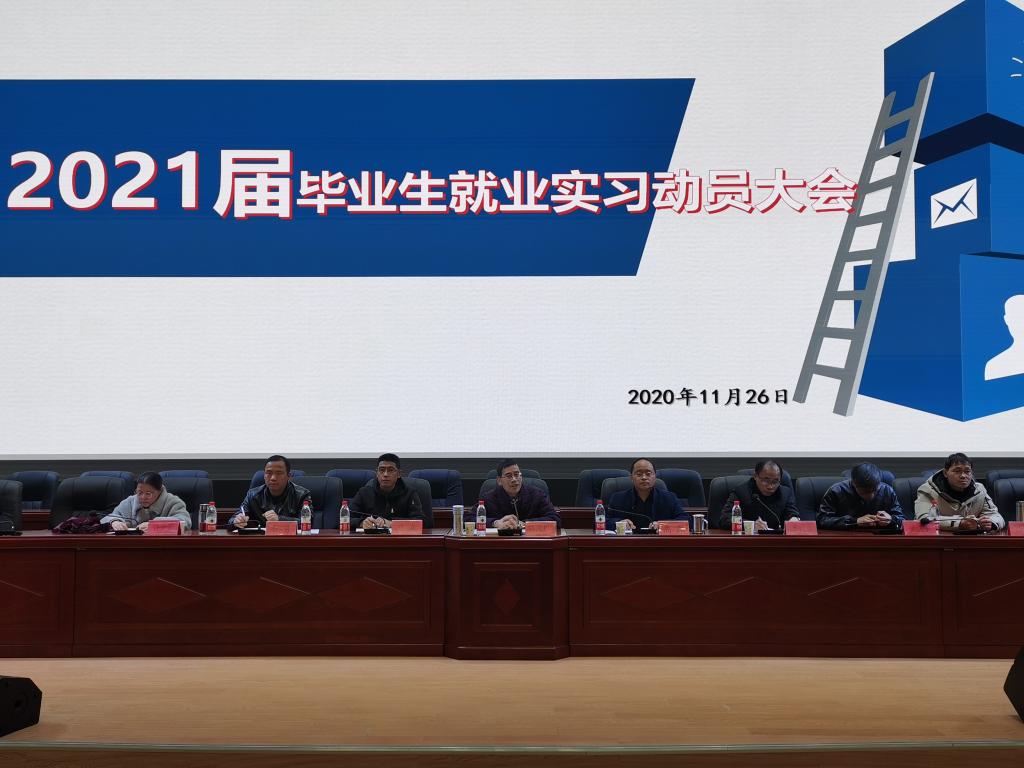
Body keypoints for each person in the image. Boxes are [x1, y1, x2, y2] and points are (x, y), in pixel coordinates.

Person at [915, 453, 1004, 531]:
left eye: (967, 471)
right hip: (938, 540)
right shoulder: (928, 490)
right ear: (945, 473)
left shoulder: (979, 491)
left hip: (971, 540)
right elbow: (924, 519)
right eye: (957, 471)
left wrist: (990, 523)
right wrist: (959, 523)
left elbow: (995, 516)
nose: (963, 476)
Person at [607, 458, 691, 532]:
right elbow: (604, 521)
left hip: (659, 542)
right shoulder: (618, 498)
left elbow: (686, 520)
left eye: (648, 473)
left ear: (655, 476)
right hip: (628, 542)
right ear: (631, 477)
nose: (644, 477)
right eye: (639, 474)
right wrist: (618, 523)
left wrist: (663, 524)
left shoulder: (669, 498)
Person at [229, 455, 311, 530]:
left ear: (288, 476)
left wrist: (279, 519)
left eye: (279, 473)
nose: (273, 478)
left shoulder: (302, 494)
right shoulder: (252, 495)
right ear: (264, 476)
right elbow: (232, 520)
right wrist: (237, 521)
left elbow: (308, 523)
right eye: (268, 473)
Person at [350, 453, 428, 530]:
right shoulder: (364, 493)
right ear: (377, 473)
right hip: (372, 537)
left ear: (399, 474)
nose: (385, 474)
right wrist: (361, 523)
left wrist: (391, 523)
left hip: (400, 537)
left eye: (390, 470)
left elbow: (423, 522)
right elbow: (346, 518)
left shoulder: (410, 494)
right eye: (382, 470)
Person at [716, 460, 799, 531]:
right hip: (747, 540)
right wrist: (751, 525)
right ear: (755, 476)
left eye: (775, 482)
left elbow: (792, 514)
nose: (770, 486)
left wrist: (794, 520)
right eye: (766, 481)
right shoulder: (741, 492)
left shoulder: (785, 493)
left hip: (776, 541)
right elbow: (725, 519)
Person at [817, 462, 903, 530]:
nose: (871, 496)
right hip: (846, 537)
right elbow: (822, 520)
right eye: (865, 492)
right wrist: (855, 521)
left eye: (874, 490)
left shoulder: (887, 491)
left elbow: (902, 520)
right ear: (854, 483)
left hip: (879, 538)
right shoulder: (836, 491)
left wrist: (891, 520)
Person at [483, 459, 561, 531]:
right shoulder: (489, 498)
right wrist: (496, 523)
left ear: (521, 476)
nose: (514, 479)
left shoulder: (537, 495)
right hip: (500, 540)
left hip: (530, 540)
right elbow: (475, 518)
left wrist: (525, 523)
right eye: (509, 476)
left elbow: (555, 519)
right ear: (499, 480)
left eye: (516, 474)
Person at [102, 471, 192, 532]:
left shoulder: (173, 502)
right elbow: (109, 517)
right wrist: (115, 522)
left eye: (148, 494)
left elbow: (185, 522)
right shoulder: (130, 502)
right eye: (139, 492)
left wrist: (154, 524)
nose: (143, 497)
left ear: (160, 491)